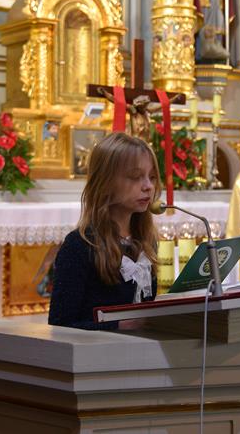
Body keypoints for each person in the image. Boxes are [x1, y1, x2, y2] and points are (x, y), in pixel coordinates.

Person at [48, 132, 159, 330]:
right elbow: (60, 326)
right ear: (105, 182)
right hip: (97, 349)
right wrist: (120, 325)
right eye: (136, 177)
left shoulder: (146, 242)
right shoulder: (79, 246)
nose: (148, 186)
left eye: (151, 177)